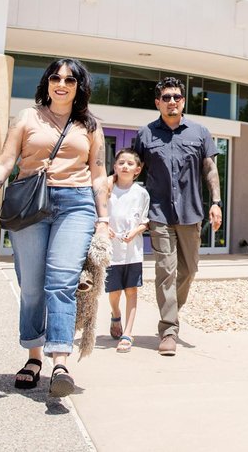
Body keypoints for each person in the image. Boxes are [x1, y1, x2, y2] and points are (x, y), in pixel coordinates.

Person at [0, 59, 108, 399]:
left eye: (70, 79)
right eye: (56, 78)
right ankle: (33, 356)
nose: (62, 83)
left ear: (79, 87)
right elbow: (3, 163)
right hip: (31, 203)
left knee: (61, 280)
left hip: (76, 205)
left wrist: (103, 220)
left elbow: (99, 174)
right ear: (47, 83)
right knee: (31, 285)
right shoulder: (28, 117)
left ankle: (60, 361)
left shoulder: (89, 125)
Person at [133, 76, 221, 357]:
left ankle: (171, 309)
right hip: (158, 212)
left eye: (177, 97)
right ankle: (168, 329)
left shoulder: (200, 132)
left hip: (191, 212)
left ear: (183, 101)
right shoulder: (145, 134)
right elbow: (132, 169)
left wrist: (216, 202)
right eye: (167, 97)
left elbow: (210, 169)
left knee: (189, 270)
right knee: (166, 271)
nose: (172, 102)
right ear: (158, 102)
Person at [102, 147, 150, 354]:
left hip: (133, 252)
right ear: (114, 166)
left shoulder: (141, 193)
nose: (125, 166)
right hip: (111, 252)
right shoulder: (107, 189)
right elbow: (99, 214)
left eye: (130, 164)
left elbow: (146, 221)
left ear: (137, 170)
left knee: (131, 291)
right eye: (121, 162)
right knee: (114, 293)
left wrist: (135, 231)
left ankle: (128, 333)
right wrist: (106, 228)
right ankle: (115, 314)